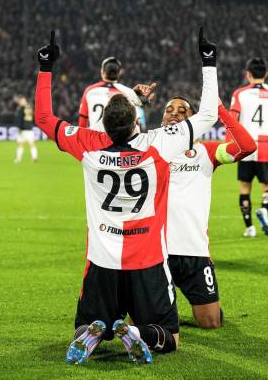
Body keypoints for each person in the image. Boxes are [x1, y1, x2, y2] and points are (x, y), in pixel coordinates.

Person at [35, 28, 218, 365]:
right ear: (138, 120)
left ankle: (93, 332)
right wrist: (209, 62)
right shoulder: (159, 144)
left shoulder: (88, 145)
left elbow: (44, 118)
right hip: (147, 260)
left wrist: (45, 68)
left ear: (102, 122)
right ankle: (139, 334)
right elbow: (207, 115)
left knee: (88, 324)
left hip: (102, 260)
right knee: (170, 338)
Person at [132, 87, 256, 329]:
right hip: (157, 250)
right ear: (162, 119)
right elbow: (118, 134)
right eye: (169, 110)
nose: (174, 114)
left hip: (194, 251)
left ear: (193, 119)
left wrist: (219, 109)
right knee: (140, 322)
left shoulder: (207, 152)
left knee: (211, 322)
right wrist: (134, 101)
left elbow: (246, 146)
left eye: (182, 110)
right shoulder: (148, 149)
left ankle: (171, 306)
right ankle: (161, 306)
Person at [229, 58, 268, 237]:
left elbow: (232, 120)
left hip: (246, 147)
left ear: (248, 74)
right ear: (266, 74)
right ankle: (264, 210)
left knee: (245, 188)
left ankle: (249, 228)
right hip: (267, 145)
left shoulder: (239, 94)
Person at [78, 56, 148, 132]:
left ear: (102, 72)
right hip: (117, 140)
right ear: (119, 73)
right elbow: (136, 123)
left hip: (94, 139)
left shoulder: (89, 91)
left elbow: (83, 121)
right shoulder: (127, 92)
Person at [14, 95, 38, 163]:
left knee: (20, 144)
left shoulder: (21, 108)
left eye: (21, 101)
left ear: (24, 101)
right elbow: (32, 117)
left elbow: (19, 119)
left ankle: (18, 159)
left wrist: (19, 127)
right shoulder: (29, 107)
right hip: (29, 127)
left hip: (23, 129)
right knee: (31, 143)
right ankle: (34, 157)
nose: (20, 102)